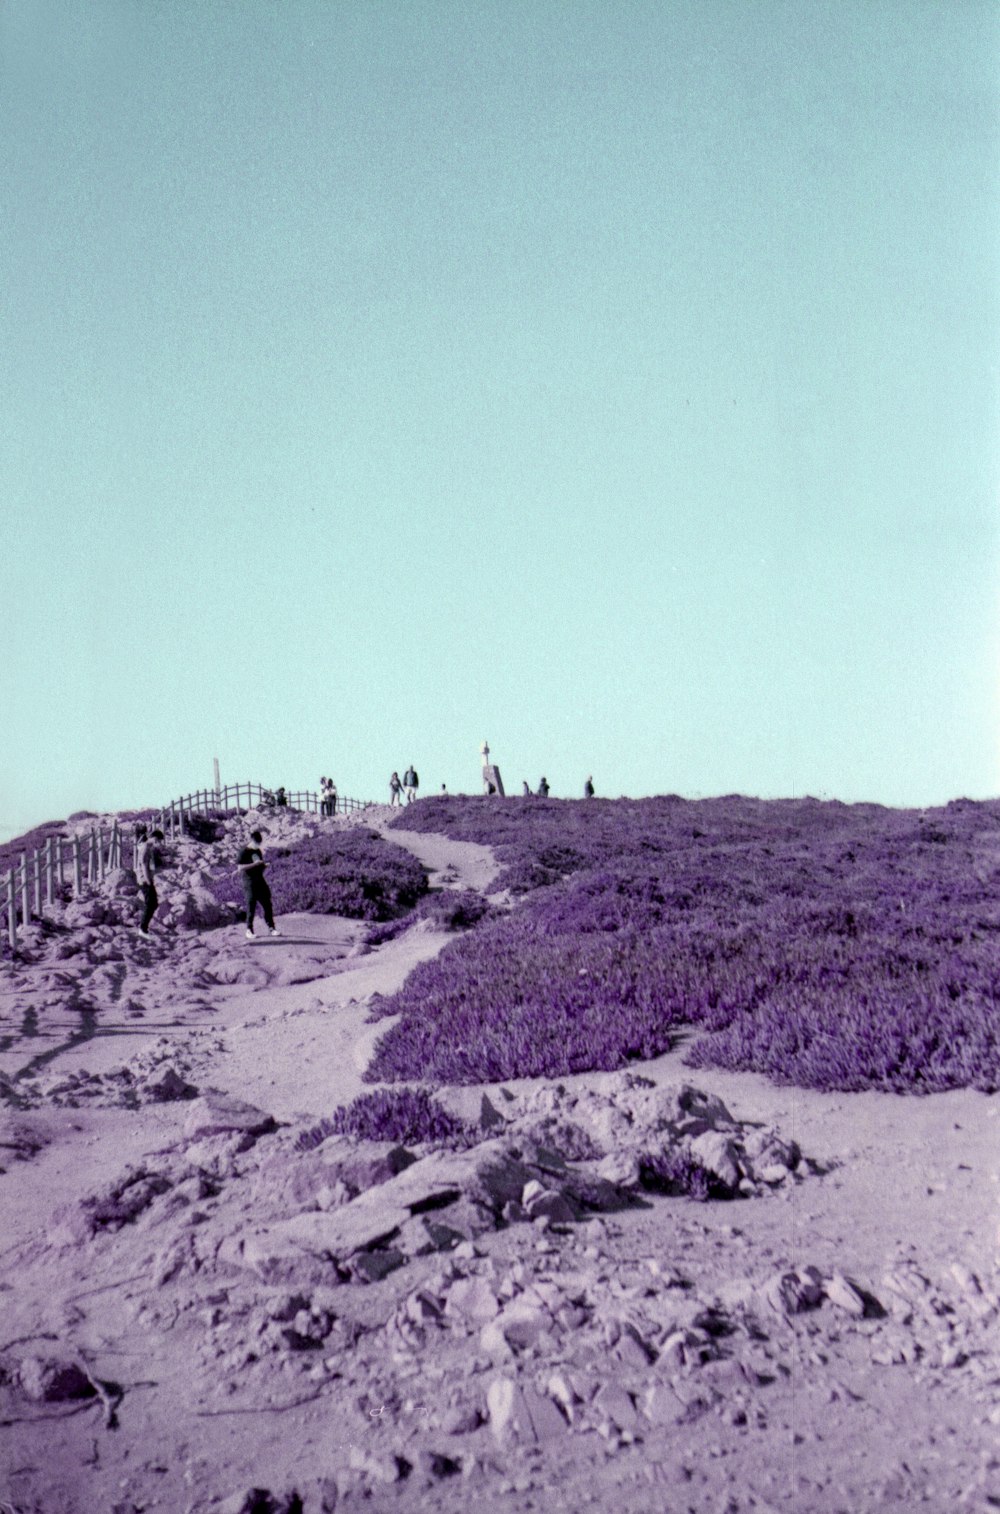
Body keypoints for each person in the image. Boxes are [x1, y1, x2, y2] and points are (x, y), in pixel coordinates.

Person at [238, 829, 280, 939]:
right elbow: (240, 868)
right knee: (251, 905)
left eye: (259, 843)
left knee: (267, 904)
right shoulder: (244, 852)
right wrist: (254, 864)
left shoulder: (258, 851)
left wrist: (264, 866)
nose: (258, 845)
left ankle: (271, 928)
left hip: (260, 880)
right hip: (249, 882)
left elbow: (259, 867)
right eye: (256, 843)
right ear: (251, 841)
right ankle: (249, 930)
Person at [135, 825, 165, 935]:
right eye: (159, 841)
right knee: (151, 904)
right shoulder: (145, 848)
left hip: (147, 879)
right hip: (144, 880)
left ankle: (143, 926)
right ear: (156, 839)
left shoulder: (147, 847)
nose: (160, 844)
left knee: (153, 903)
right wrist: (148, 880)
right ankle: (142, 929)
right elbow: (143, 865)